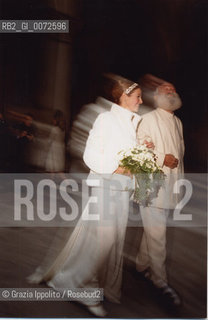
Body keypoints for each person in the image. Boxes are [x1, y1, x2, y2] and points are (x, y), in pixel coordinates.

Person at [28, 74, 143, 317]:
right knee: (102, 241)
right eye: (138, 97)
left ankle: (69, 280)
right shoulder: (105, 119)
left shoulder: (132, 122)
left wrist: (143, 153)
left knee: (101, 241)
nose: (141, 101)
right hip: (105, 189)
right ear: (124, 97)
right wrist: (116, 167)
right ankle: (82, 287)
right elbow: (91, 155)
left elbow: (129, 155)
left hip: (122, 192)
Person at [135, 81, 185, 306]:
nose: (171, 92)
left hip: (170, 187)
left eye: (173, 90)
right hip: (152, 186)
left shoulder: (178, 122)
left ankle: (141, 265)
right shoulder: (147, 119)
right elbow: (139, 150)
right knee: (158, 234)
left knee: (153, 232)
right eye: (166, 90)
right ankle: (160, 281)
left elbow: (180, 155)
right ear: (156, 96)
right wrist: (162, 157)